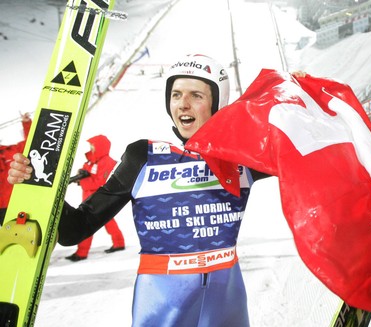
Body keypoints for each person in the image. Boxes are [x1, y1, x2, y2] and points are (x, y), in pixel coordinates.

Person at [8, 54, 268, 327]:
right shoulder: (144, 157)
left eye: (197, 95)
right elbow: (75, 229)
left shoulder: (240, 158)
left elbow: (307, 158)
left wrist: (299, 97)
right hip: (164, 309)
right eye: (176, 94)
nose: (183, 104)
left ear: (217, 103)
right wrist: (39, 182)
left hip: (225, 307)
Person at [65, 134, 125, 262]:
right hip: (88, 195)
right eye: (91, 145)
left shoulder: (107, 162)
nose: (91, 147)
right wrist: (80, 174)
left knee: (86, 223)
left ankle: (82, 252)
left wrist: (83, 182)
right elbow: (87, 172)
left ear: (101, 147)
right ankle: (118, 243)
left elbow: (100, 182)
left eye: (93, 145)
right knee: (105, 220)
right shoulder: (91, 160)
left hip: (98, 196)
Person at [0, 112, 31, 225]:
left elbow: (30, 143)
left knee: (16, 237)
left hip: (13, 204)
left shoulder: (12, 150)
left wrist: (27, 124)